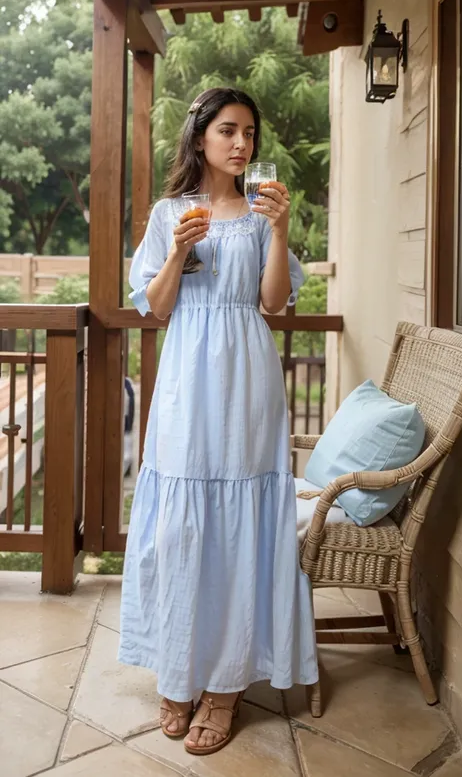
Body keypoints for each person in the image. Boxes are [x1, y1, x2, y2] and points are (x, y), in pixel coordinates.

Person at [118, 87, 318, 756]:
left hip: (247, 378)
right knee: (178, 525)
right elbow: (156, 306)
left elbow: (273, 303)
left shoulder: (263, 214)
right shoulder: (170, 211)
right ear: (200, 137)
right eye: (228, 130)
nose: (242, 144)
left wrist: (283, 228)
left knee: (238, 526)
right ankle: (179, 669)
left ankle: (226, 686)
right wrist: (176, 250)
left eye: (249, 133)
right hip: (183, 380)